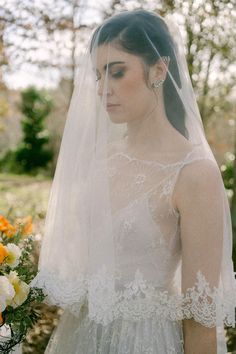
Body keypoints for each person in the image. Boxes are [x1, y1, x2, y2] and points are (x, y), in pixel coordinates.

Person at [31, 9, 236, 353]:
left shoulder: (194, 172)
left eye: (116, 72)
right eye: (98, 75)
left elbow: (200, 316)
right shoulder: (101, 158)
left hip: (146, 342)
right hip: (80, 337)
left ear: (159, 69)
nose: (102, 89)